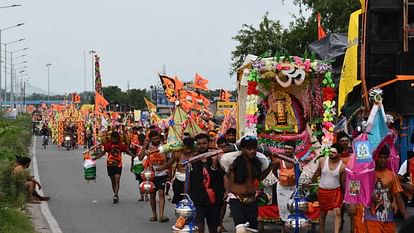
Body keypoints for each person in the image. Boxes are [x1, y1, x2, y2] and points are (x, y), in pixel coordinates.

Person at [219, 135, 277, 233]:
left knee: (252, 230)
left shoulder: (257, 162)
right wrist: (227, 191)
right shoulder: (233, 163)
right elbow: (227, 177)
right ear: (242, 149)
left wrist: (271, 165)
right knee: (241, 230)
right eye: (248, 149)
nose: (252, 152)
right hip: (237, 200)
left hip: (252, 201)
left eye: (254, 149)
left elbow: (259, 178)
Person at [364, 146, 408, 233]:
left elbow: (398, 197)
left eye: (385, 157)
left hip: (388, 216)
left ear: (388, 158)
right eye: (380, 157)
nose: (382, 160)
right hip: (371, 215)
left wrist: (406, 217)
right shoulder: (367, 173)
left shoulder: (392, 175)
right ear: (376, 158)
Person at [188, 133, 224, 233]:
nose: (201, 146)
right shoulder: (193, 161)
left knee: (213, 228)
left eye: (204, 143)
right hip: (198, 199)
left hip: (214, 199)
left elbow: (220, 179)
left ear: (209, 143)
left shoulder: (216, 158)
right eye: (199, 144)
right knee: (199, 227)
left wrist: (214, 165)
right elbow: (189, 181)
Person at [93, 131, 136, 203]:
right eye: (113, 138)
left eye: (115, 138)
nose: (114, 140)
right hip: (110, 165)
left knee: (117, 179)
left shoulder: (121, 145)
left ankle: (115, 195)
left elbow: (127, 151)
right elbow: (103, 153)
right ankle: (115, 193)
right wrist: (95, 158)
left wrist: (134, 156)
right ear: (111, 138)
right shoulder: (108, 145)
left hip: (118, 165)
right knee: (113, 180)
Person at [312, 144, 346, 233]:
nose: (331, 153)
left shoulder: (342, 166)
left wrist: (345, 193)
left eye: (334, 152)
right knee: (322, 213)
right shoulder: (322, 161)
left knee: (337, 212)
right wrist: (311, 182)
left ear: (339, 154)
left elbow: (343, 182)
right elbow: (317, 173)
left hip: (336, 191)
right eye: (330, 151)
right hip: (322, 191)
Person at [138, 130, 169, 222]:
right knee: (152, 194)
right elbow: (140, 158)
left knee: (161, 193)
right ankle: (154, 215)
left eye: (157, 138)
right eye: (154, 138)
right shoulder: (148, 147)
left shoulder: (164, 146)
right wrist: (144, 146)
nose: (156, 140)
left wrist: (170, 173)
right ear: (151, 139)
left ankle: (161, 215)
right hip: (150, 174)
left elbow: (169, 159)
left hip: (162, 173)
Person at [154, 137, 196, 204]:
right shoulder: (177, 154)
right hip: (179, 180)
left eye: (190, 148)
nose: (188, 151)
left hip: (191, 180)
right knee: (178, 201)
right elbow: (168, 164)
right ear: (183, 146)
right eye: (187, 148)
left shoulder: (195, 154)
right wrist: (157, 169)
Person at [274, 140, 297, 229]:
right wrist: (279, 178)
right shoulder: (279, 160)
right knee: (283, 207)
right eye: (286, 149)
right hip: (282, 188)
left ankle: (292, 227)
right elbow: (274, 170)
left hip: (293, 187)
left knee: (292, 207)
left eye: (290, 149)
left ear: (294, 150)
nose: (287, 151)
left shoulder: (296, 160)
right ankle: (284, 228)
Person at [130, 133, 148, 202]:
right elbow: (133, 156)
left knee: (145, 180)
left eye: (140, 140)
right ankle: (142, 196)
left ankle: (145, 195)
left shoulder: (146, 147)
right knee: (141, 181)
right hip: (138, 165)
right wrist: (132, 166)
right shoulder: (136, 147)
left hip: (146, 165)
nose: (139, 141)